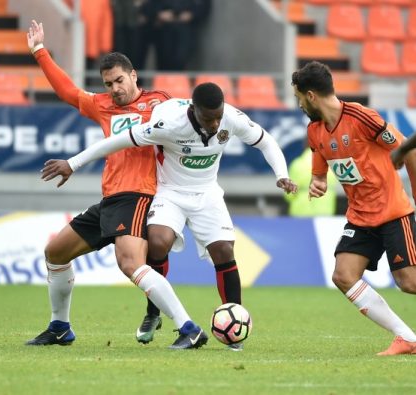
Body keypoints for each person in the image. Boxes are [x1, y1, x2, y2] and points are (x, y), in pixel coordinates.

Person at [40, 82, 298, 350]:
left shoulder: (230, 118)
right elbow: (117, 141)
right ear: (193, 110)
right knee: (158, 241)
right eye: (209, 118)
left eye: (218, 117)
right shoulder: (168, 123)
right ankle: (153, 313)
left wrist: (282, 175)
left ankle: (235, 330)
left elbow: (266, 141)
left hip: (207, 193)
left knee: (223, 251)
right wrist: (73, 163)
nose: (215, 124)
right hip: (170, 192)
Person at [25, 20, 207, 350]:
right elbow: (68, 92)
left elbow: (191, 123)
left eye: (119, 80)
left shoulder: (160, 103)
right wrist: (40, 52)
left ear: (134, 75)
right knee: (56, 252)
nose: (115, 89)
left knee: (130, 264)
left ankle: (189, 328)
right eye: (108, 83)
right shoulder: (103, 105)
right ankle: (59, 327)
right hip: (110, 198)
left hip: (139, 193)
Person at [291, 60, 416, 356]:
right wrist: (317, 184)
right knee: (343, 275)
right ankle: (406, 337)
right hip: (360, 216)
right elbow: (320, 173)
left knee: (409, 282)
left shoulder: (361, 117)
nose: (299, 105)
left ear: (311, 96)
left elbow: (408, 150)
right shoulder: (315, 131)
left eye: (299, 98)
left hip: (392, 211)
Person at [284, 144, 337, 217]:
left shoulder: (298, 164)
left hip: (300, 214)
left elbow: (289, 195)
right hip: (325, 214)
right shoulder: (330, 164)